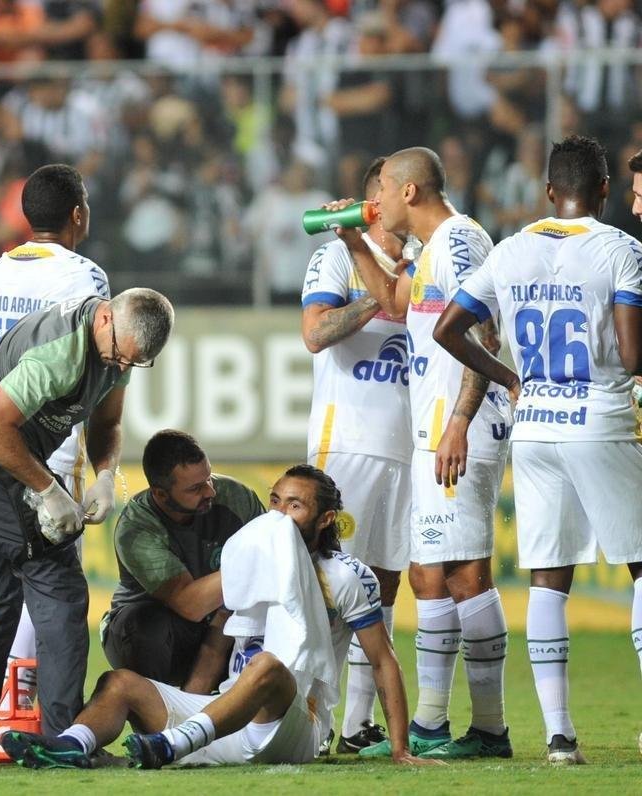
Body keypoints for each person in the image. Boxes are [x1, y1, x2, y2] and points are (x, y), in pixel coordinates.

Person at [0, 465, 433, 770]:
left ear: (325, 519)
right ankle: (72, 746)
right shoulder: (251, 557)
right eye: (276, 501)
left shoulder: (345, 575)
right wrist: (185, 704)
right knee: (119, 684)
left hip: (295, 724)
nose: (280, 515)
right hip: (222, 723)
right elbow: (219, 636)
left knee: (267, 667)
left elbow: (382, 659)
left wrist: (399, 749)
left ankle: (171, 745)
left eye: (295, 506)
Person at [434, 135, 642, 764]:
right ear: (605, 190)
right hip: (600, 420)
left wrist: (506, 378)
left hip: (536, 427)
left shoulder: (512, 249)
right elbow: (632, 357)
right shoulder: (622, 251)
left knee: (550, 579)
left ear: (549, 190)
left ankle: (558, 737)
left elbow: (449, 327)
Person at [0, 287, 175, 767]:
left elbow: (108, 423)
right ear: (105, 319)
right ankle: (64, 738)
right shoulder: (60, 354)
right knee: (60, 591)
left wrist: (105, 474)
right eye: (120, 356)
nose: (122, 367)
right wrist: (47, 490)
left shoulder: (116, 347)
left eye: (135, 363)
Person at [338, 146, 513, 759]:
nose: (375, 199)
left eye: (381, 188)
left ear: (408, 193)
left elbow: (483, 332)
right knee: (429, 575)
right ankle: (438, 726)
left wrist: (461, 419)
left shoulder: (461, 241)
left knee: (464, 575)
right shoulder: (429, 251)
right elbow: (392, 302)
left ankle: (484, 728)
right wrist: (353, 239)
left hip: (458, 426)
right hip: (435, 427)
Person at [0, 163, 110, 712]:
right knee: (48, 580)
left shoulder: (0, 270)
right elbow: (97, 364)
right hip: (49, 444)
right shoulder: (85, 277)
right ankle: (19, 707)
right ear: (77, 214)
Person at [300, 156, 412, 753]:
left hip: (407, 445)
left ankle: (356, 726)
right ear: (374, 198)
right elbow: (315, 333)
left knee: (385, 585)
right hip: (346, 444)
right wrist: (382, 296)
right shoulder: (338, 254)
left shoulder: (425, 255)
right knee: (328, 585)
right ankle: (312, 716)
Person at [102, 429, 263, 690]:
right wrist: (252, 564)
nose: (210, 491)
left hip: (226, 618)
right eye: (196, 488)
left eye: (209, 478)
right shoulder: (137, 528)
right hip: (163, 631)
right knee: (146, 629)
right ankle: (151, 720)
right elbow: (190, 604)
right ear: (161, 494)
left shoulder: (236, 497)